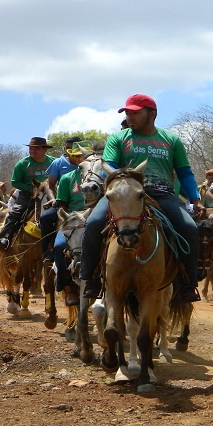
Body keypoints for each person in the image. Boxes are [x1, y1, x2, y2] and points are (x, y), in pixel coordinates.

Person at [79, 94, 204, 303]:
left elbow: (184, 172)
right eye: (127, 113)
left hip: (162, 194)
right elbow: (106, 169)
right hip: (123, 195)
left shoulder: (171, 140)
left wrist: (195, 199)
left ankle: (188, 283)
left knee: (189, 228)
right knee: (92, 223)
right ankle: (90, 278)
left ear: (152, 114)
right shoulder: (118, 139)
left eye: (135, 112)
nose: (130, 117)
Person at [0, 137, 57, 250]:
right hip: (28, 194)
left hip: (51, 194)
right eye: (31, 148)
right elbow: (15, 181)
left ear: (45, 150)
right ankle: (5, 238)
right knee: (15, 212)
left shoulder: (53, 162)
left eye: (36, 149)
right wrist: (29, 188)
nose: (32, 151)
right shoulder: (23, 163)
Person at [52, 142, 89, 306]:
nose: (78, 159)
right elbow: (62, 205)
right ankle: (67, 288)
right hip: (72, 218)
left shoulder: (99, 176)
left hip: (92, 215)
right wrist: (67, 221)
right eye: (75, 156)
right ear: (71, 158)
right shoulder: (67, 178)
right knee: (59, 247)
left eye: (81, 156)